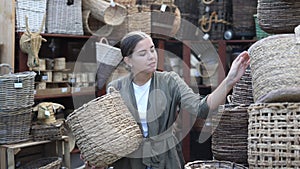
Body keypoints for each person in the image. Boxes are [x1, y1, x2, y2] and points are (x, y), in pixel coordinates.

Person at [89, 31, 250, 169]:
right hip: (129, 162)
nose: (151, 57)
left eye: (152, 49)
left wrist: (230, 81)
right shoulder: (116, 88)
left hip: (165, 159)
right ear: (128, 61)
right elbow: (107, 131)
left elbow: (201, 108)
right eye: (142, 53)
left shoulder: (170, 81)